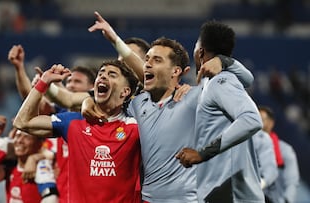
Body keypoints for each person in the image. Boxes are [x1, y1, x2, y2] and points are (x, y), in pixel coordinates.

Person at [84, 12, 254, 202]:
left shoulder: (195, 97)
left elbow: (246, 81)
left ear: (177, 71)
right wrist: (88, 100)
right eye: (147, 59)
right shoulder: (137, 104)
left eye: (157, 60)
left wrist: (225, 61)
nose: (147, 64)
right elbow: (103, 103)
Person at [13, 61, 141, 202]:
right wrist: (44, 82)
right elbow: (23, 122)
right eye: (101, 73)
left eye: (112, 74)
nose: (103, 77)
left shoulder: (136, 127)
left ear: (125, 91)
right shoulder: (73, 122)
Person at [175, 21, 264, 202]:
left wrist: (202, 153)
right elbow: (249, 79)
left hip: (230, 194)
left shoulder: (221, 82)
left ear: (201, 52)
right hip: (221, 192)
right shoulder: (215, 81)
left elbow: (251, 119)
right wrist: (224, 61)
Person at [8, 44, 95, 203]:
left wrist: (39, 156)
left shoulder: (96, 119)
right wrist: (19, 68)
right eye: (69, 81)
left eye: (77, 82)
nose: (71, 85)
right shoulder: (63, 114)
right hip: (63, 192)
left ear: (91, 89)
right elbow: (31, 101)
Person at [0, 115, 59, 203]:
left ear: (39, 143)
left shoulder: (43, 166)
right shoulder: (11, 167)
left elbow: (51, 198)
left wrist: (35, 158)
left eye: (26, 137)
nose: (19, 141)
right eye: (17, 136)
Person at [259, 106, 300, 203]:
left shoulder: (285, 151)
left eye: (262, 119)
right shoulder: (248, 146)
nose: (259, 123)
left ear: (271, 123)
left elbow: (292, 182)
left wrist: (286, 200)